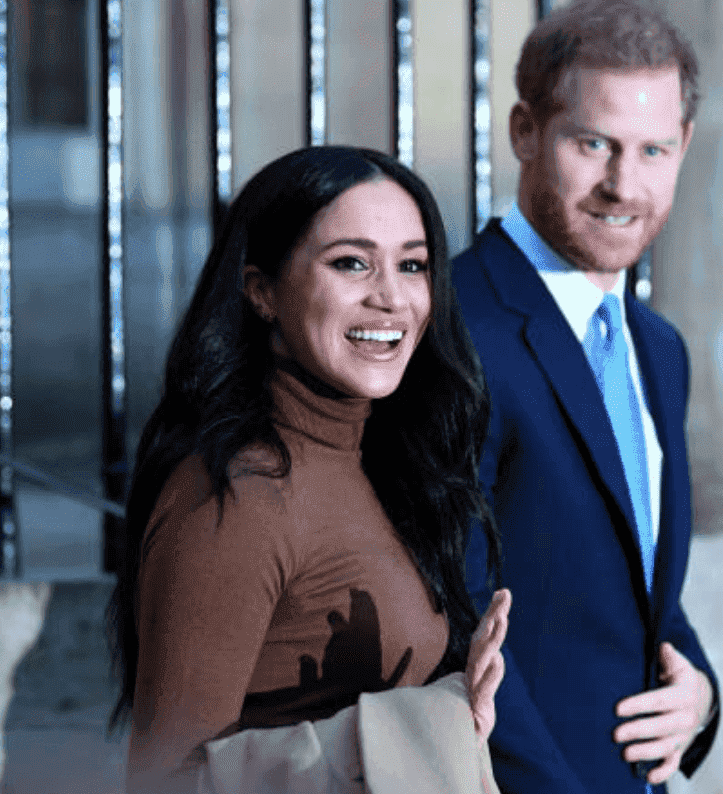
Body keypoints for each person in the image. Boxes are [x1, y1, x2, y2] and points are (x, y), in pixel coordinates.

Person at [105, 146, 510, 794]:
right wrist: (393, 731)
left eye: (412, 265)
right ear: (261, 289)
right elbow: (164, 779)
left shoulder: (379, 459)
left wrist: (452, 710)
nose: (390, 297)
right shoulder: (238, 497)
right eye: (351, 262)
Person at [453, 2, 718, 792]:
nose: (622, 185)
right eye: (592, 143)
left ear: (685, 147)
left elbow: (634, 589)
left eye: (653, 150)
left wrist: (697, 691)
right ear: (525, 132)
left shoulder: (658, 349)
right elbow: (448, 614)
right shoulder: (455, 324)